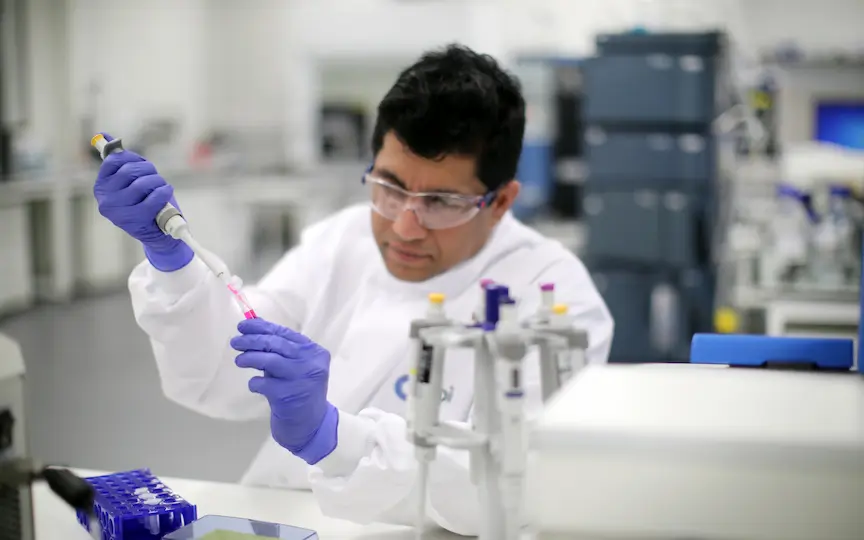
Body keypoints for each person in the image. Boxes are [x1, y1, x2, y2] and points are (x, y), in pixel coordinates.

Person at [93, 44, 613, 535]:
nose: (405, 227)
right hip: (278, 514)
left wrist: (330, 436)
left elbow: (511, 486)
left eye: (441, 202)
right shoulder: (343, 240)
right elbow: (217, 376)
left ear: (500, 203)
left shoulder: (556, 297)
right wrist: (173, 262)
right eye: (390, 188)